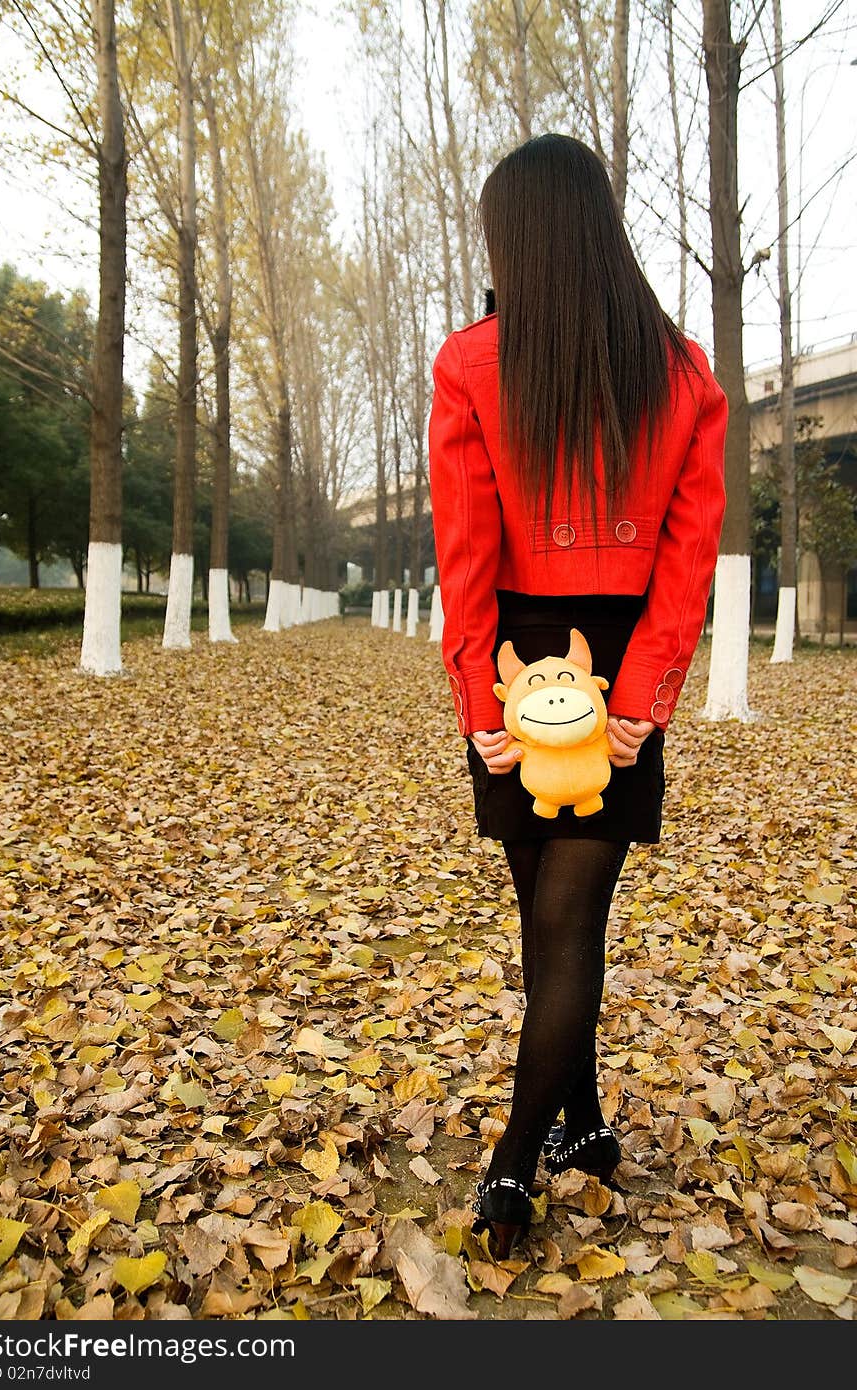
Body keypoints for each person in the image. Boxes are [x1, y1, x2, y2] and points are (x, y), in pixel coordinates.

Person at [427, 133, 727, 1259]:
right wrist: (644, 692)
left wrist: (479, 703)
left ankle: (513, 1164)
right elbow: (688, 563)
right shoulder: (684, 371)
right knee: (566, 921)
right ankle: (584, 1119)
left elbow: (463, 558)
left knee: (549, 919)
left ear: (517, 236)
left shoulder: (470, 364)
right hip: (619, 652)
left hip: (514, 654)